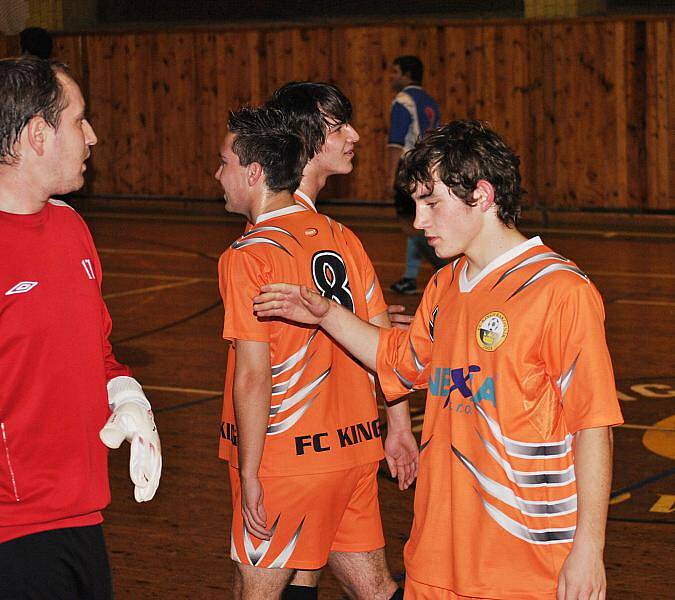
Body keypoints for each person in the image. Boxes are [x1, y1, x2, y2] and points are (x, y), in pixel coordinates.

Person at [254, 120, 624, 600]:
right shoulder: (445, 287)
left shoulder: (560, 291)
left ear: (482, 196)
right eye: (415, 205)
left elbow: (593, 427)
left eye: (431, 203)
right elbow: (396, 360)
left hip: (526, 566)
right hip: (435, 562)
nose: (419, 221)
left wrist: (588, 549)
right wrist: (326, 314)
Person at [216, 105, 414, 600]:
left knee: (258, 590)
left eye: (224, 163)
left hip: (286, 460)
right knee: (373, 588)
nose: (217, 175)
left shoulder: (248, 256)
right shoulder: (342, 235)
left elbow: (253, 376)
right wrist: (399, 428)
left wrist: (250, 470)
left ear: (254, 173)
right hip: (354, 452)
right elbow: (383, 344)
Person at [0, 56, 161, 599]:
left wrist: (127, 394)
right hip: (12, 533)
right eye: (79, 120)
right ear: (38, 135)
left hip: (84, 516)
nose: (92, 136)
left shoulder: (71, 227)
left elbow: (98, 350)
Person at [387, 56, 445, 295]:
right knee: (418, 221)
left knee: (412, 226)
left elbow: (396, 143)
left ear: (407, 74)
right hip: (427, 165)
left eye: (395, 71)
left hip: (408, 165)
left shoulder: (403, 101)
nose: (392, 77)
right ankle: (410, 278)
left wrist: (390, 175)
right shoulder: (430, 101)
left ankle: (445, 270)